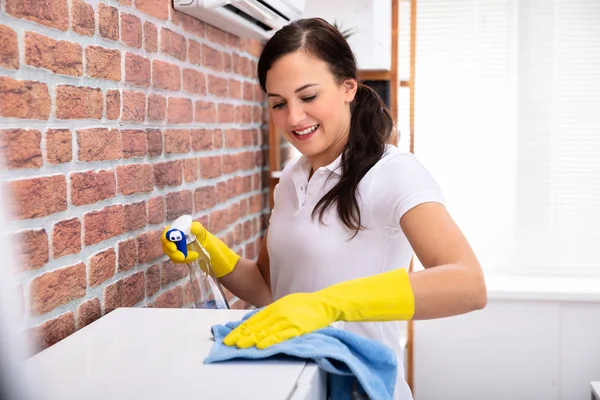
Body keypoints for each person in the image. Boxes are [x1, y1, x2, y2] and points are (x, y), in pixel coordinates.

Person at [162, 17, 487, 400]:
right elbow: (270, 288)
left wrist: (329, 305)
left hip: (360, 387)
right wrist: (208, 250)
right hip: (296, 382)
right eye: (279, 103)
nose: (294, 118)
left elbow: (468, 283)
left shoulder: (393, 172)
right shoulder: (291, 179)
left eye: (309, 96)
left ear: (348, 86)